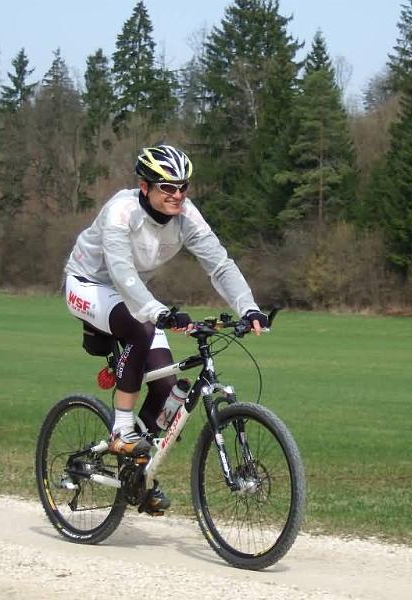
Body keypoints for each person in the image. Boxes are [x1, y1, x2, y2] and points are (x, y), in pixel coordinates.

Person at [63, 143, 268, 512]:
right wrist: (159, 312)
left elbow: (219, 265)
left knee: (166, 389)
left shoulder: (187, 216)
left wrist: (249, 307)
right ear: (145, 187)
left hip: (132, 294)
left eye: (183, 187)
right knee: (140, 329)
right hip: (89, 284)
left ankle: (135, 475)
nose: (177, 195)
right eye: (167, 187)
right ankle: (122, 430)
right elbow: (122, 274)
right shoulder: (120, 212)